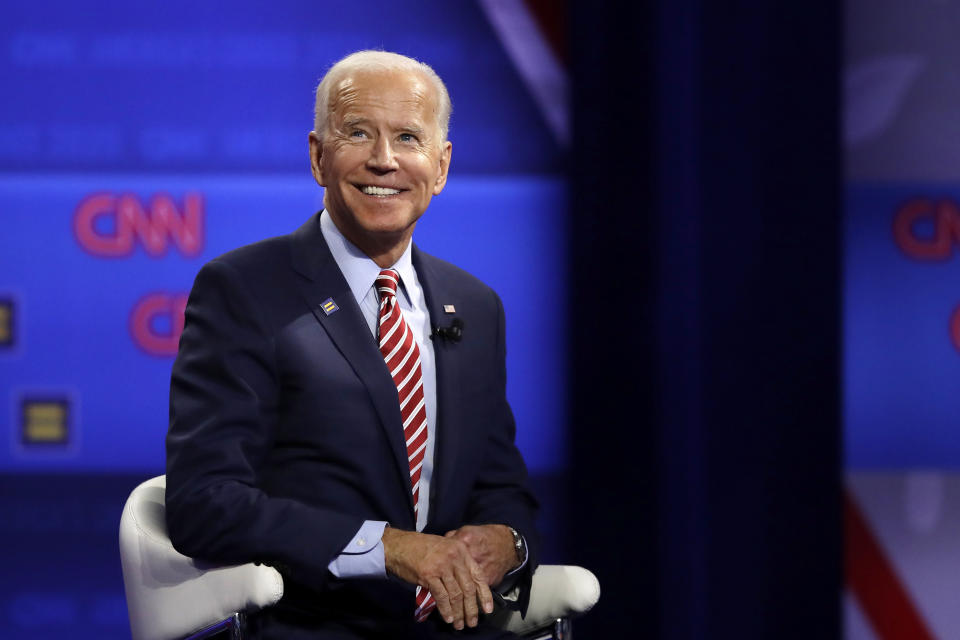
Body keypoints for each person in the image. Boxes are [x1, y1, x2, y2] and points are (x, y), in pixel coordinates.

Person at [165, 50, 540, 639]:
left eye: (408, 138)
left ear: (440, 167)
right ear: (318, 156)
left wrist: (507, 540)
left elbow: (500, 488)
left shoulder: (475, 306)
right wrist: (387, 548)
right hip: (314, 625)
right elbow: (204, 503)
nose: (384, 160)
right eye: (358, 133)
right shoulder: (244, 289)